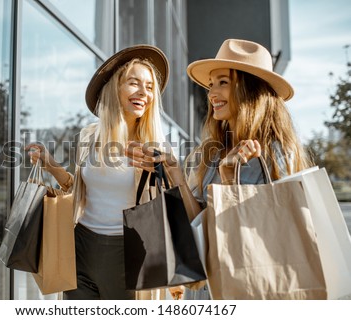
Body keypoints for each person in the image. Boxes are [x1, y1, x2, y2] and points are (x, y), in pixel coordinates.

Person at [127, 38, 313, 299]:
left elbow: (272, 229)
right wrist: (176, 174)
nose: (212, 94)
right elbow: (199, 223)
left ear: (251, 89)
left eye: (223, 83)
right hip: (208, 286)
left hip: (248, 285)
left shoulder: (276, 153)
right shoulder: (213, 152)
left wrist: (229, 182)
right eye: (211, 85)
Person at [25, 44, 170, 300]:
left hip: (127, 254)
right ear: (116, 88)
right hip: (80, 245)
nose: (143, 93)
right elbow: (79, 189)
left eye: (149, 87)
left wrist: (159, 169)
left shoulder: (153, 146)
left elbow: (167, 208)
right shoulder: (89, 136)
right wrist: (50, 165)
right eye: (134, 83)